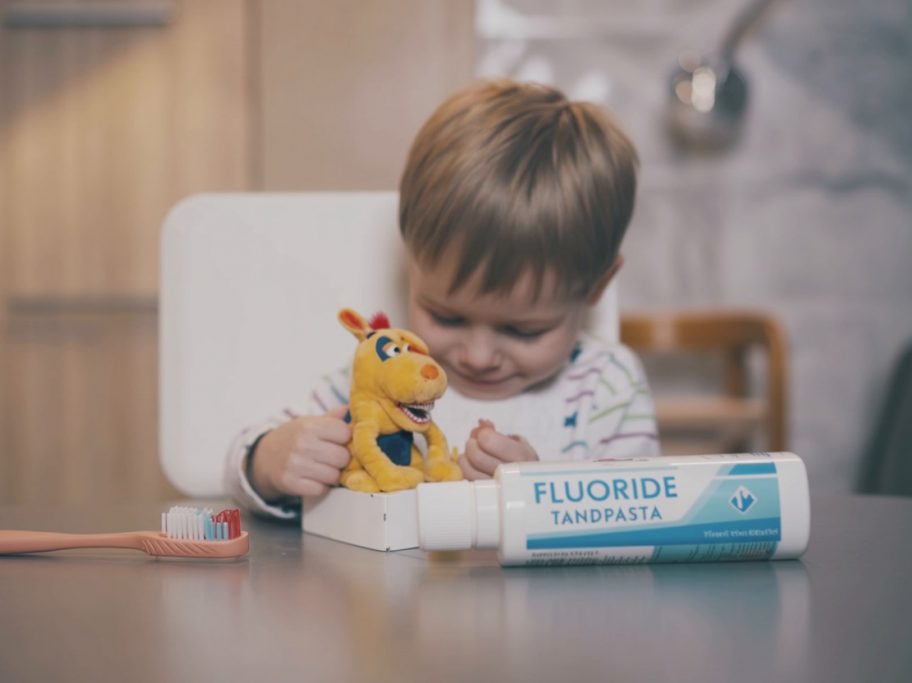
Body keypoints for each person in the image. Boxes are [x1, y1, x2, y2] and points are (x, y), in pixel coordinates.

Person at [226, 79, 659, 519]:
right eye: (447, 318)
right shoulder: (383, 375)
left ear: (597, 286)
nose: (478, 355)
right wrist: (269, 461)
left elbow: (641, 518)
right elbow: (253, 466)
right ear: (412, 262)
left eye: (522, 330)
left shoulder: (607, 389)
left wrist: (541, 496)